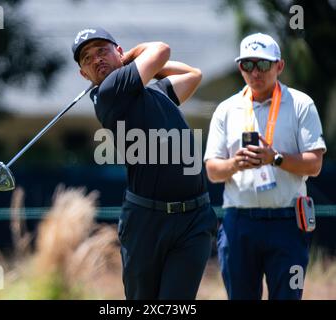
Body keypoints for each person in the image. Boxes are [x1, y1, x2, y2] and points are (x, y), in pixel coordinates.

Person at [71, 27, 217, 299]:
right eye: (87, 59)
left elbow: (192, 75)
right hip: (148, 222)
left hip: (193, 219)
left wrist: (137, 65)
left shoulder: (155, 92)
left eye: (102, 51)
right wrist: (134, 58)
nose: (96, 60)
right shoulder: (109, 92)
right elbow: (161, 50)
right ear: (84, 75)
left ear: (118, 51)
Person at [204, 33, 326, 300]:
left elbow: (314, 164)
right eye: (248, 65)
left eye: (263, 64)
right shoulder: (226, 109)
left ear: (279, 66)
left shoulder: (300, 104)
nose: (255, 72)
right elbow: (213, 170)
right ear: (240, 67)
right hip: (240, 222)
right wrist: (235, 164)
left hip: (287, 223)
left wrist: (275, 158)